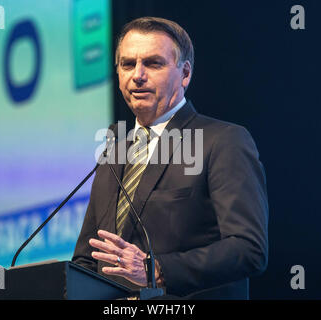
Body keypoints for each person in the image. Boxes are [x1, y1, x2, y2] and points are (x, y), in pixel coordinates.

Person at [72, 17, 268, 299]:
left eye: (153, 63)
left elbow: (249, 248)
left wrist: (158, 269)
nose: (137, 75)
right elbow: (87, 260)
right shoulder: (114, 153)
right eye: (127, 64)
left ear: (184, 73)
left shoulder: (222, 141)